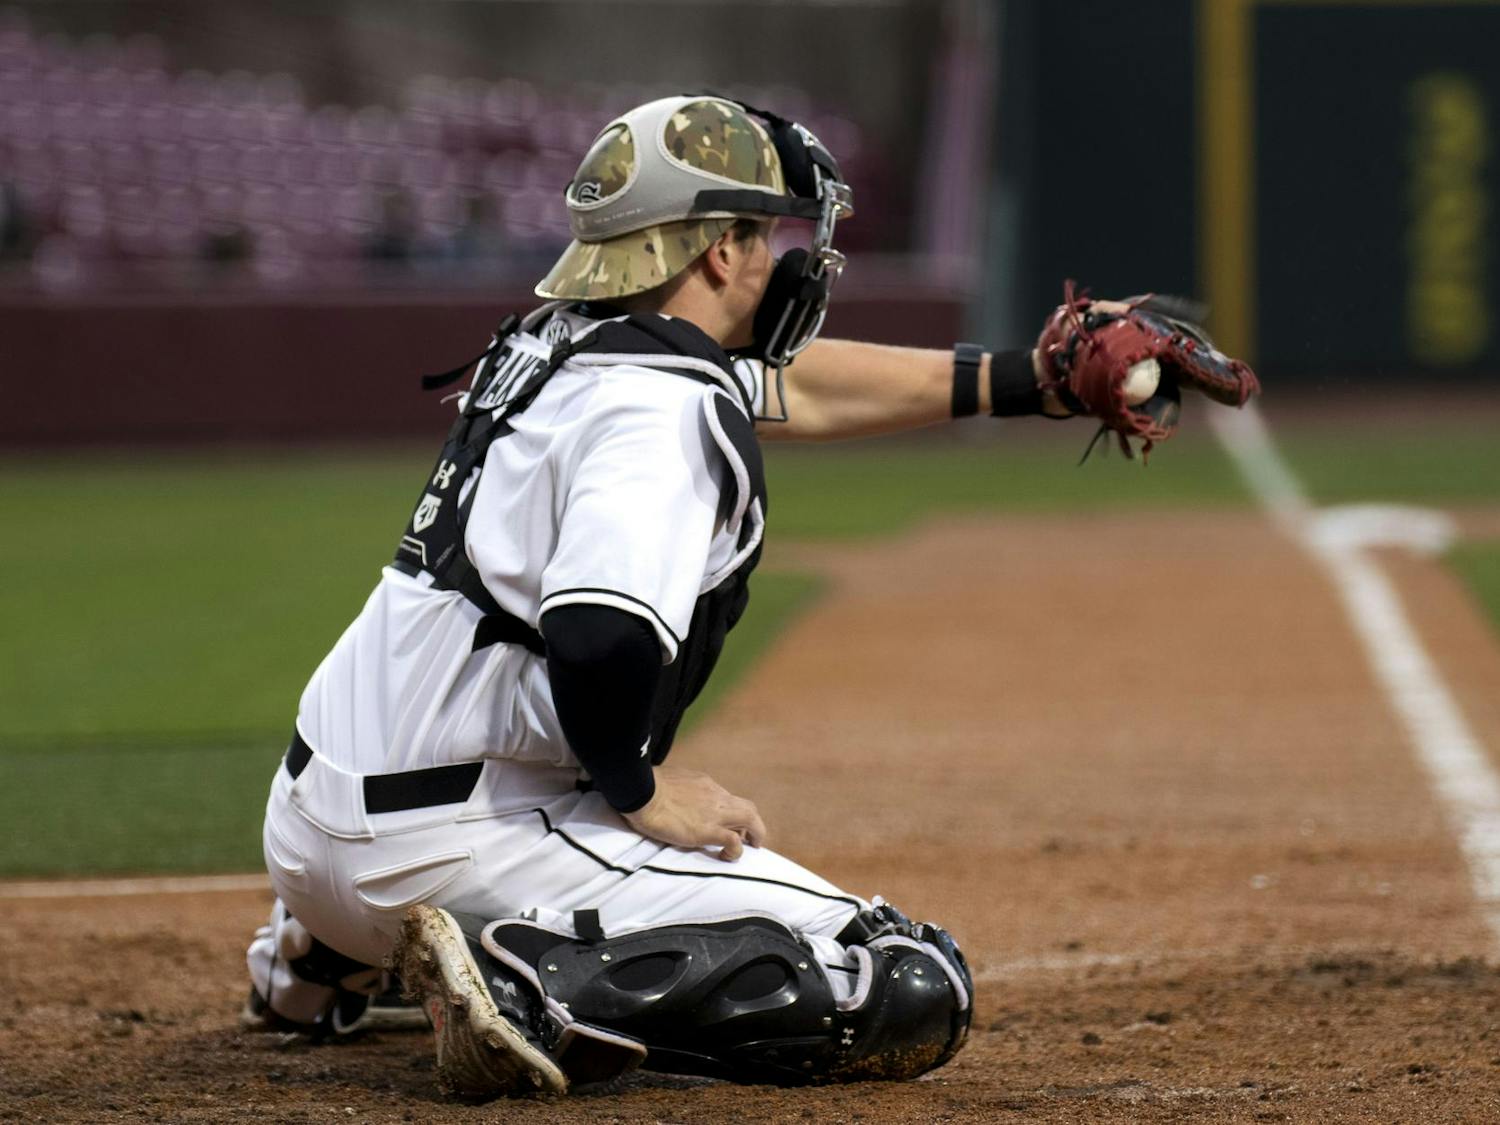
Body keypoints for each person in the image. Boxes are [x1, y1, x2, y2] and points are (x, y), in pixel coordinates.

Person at [240, 94, 1112, 1097]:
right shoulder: (663, 409)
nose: (791, 258)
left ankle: (314, 965)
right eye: (770, 232)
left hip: (310, 827)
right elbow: (600, 636)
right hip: (457, 845)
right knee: (906, 986)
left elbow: (801, 387)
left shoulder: (554, 343)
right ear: (719, 252)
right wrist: (640, 789)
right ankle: (539, 983)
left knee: (440, 752)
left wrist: (1021, 380)